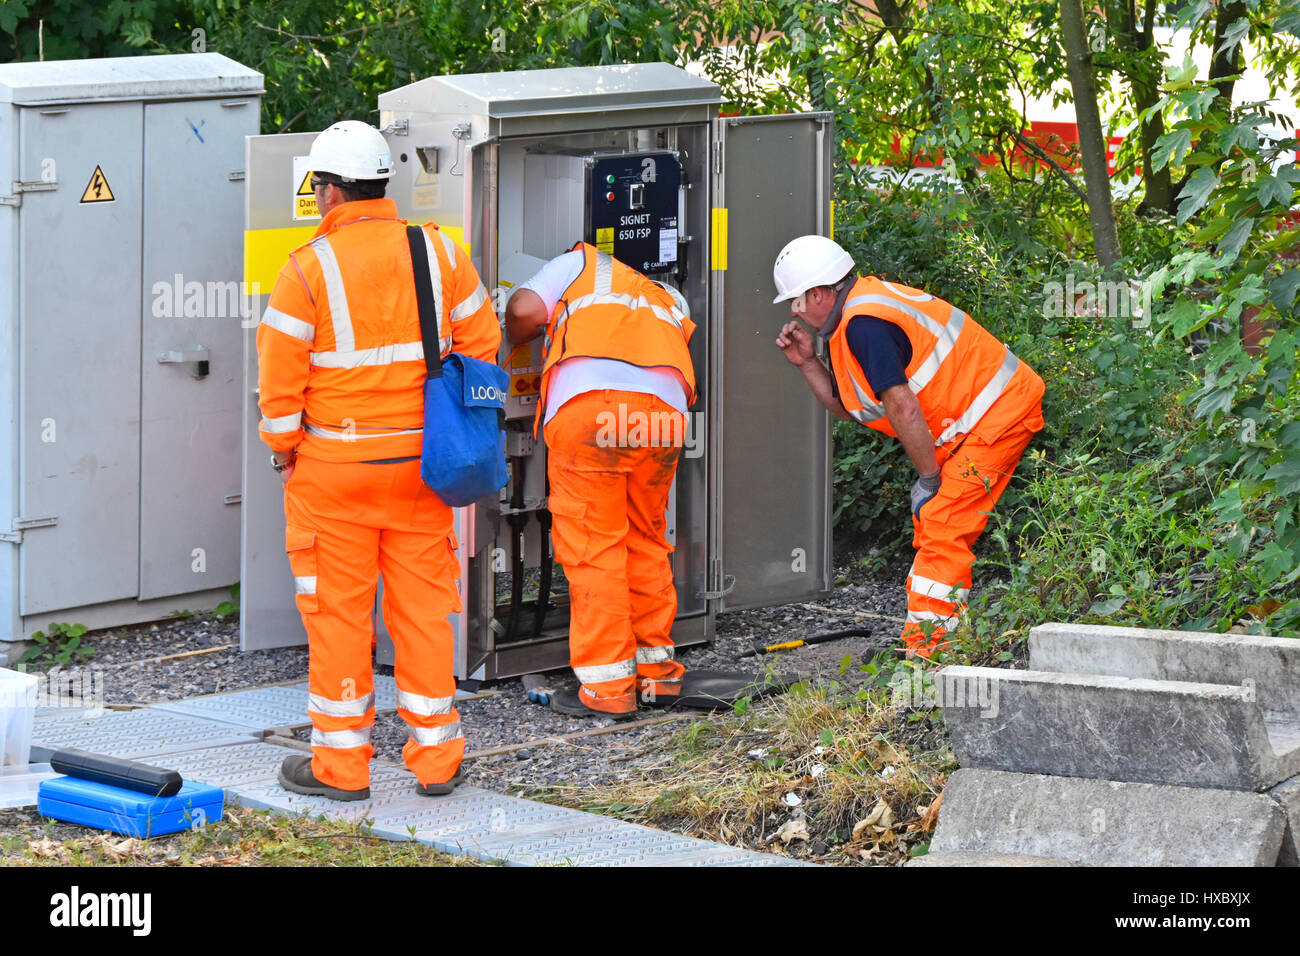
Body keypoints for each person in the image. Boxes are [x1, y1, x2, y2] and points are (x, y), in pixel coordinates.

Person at [257, 120, 500, 800]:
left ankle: (342, 768)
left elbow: (279, 385)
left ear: (328, 191)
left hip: (334, 477)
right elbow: (483, 348)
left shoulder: (305, 268)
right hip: (426, 470)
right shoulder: (441, 254)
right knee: (423, 613)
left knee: (339, 615)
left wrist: (283, 449)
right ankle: (438, 759)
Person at [772, 235, 1044, 656]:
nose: (794, 310)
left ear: (821, 293)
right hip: (978, 421)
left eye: (796, 300)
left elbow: (904, 409)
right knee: (935, 524)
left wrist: (930, 477)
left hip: (997, 414)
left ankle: (930, 655)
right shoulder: (857, 317)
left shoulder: (865, 325)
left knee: (941, 523)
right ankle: (934, 641)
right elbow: (851, 407)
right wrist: (808, 362)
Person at [504, 243, 695, 718]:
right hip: (662, 416)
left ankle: (609, 690)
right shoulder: (666, 294)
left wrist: (516, 332)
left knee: (594, 545)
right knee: (646, 538)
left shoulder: (578, 263)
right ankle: (656, 675)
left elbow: (523, 310)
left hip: (590, 407)